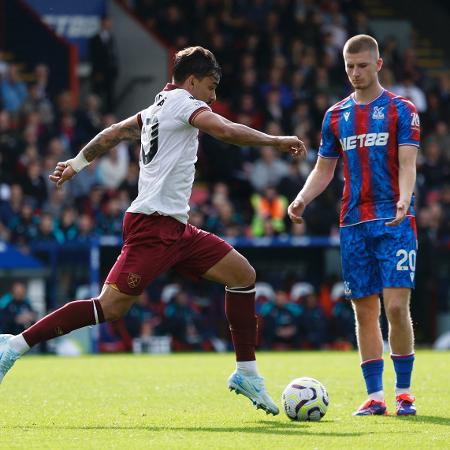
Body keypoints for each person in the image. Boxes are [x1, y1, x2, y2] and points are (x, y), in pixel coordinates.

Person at [0, 46, 306, 416]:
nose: (213, 96)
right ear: (191, 80)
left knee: (243, 275)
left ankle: (246, 373)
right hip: (153, 227)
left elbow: (113, 133)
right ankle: (15, 345)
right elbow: (225, 130)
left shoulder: (156, 107)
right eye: (210, 86)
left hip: (177, 228)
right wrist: (276, 140)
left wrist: (77, 163)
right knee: (110, 307)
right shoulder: (181, 104)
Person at [287, 35, 419, 416]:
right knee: (364, 310)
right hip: (354, 223)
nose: (355, 73)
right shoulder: (335, 115)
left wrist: (405, 198)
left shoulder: (400, 109)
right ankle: (376, 397)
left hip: (394, 218)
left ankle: (405, 392)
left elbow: (408, 163)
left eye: (362, 65)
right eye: (349, 66)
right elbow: (324, 168)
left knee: (395, 306)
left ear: (378, 64)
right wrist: (302, 198)